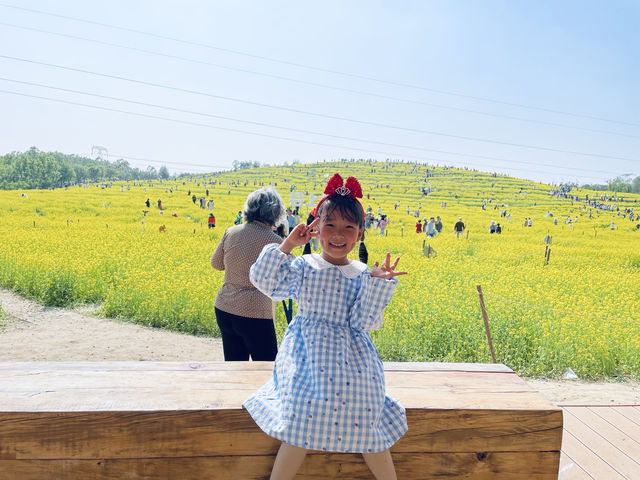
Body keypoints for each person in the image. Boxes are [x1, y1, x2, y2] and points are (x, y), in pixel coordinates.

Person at [244, 173, 408, 480]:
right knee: (301, 413)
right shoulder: (305, 266)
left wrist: (377, 283)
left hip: (354, 361)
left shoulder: (362, 273)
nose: (338, 233)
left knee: (367, 411)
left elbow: (365, 322)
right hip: (308, 356)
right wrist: (289, 243)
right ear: (316, 228)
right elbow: (265, 281)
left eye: (349, 226)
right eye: (330, 224)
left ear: (360, 233)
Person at [210, 187, 285, 361]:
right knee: (266, 368)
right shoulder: (275, 241)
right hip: (255, 312)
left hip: (225, 307)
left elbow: (216, 264)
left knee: (234, 366)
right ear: (275, 212)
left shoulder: (231, 231)